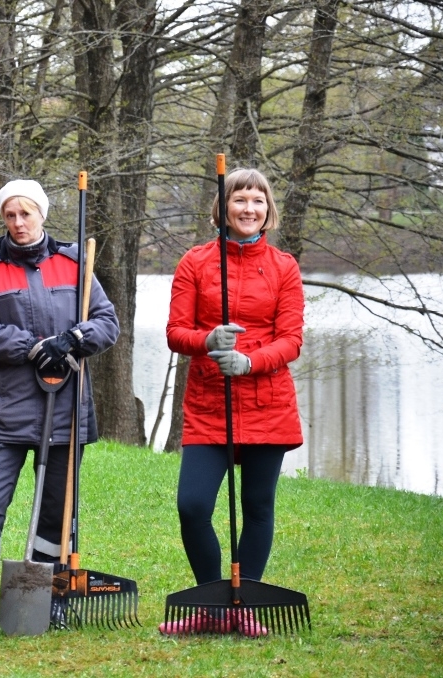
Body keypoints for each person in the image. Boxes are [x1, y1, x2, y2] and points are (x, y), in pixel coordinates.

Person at [0, 179, 119, 633]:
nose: (18, 223)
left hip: (66, 411)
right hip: (6, 412)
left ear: (42, 213)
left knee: (57, 515)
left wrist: (72, 340)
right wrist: (34, 347)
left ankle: (45, 600)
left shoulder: (76, 262)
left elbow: (106, 322)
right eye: (10, 215)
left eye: (26, 214)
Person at [161, 168, 304, 638]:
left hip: (267, 401)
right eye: (239, 200)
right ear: (222, 208)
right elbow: (175, 333)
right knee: (193, 506)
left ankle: (243, 603)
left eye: (258, 202)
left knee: (258, 506)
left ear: (269, 210)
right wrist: (208, 340)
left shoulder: (284, 267)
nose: (248, 209)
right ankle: (212, 601)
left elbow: (291, 340)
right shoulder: (196, 262)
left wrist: (250, 362)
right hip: (209, 401)